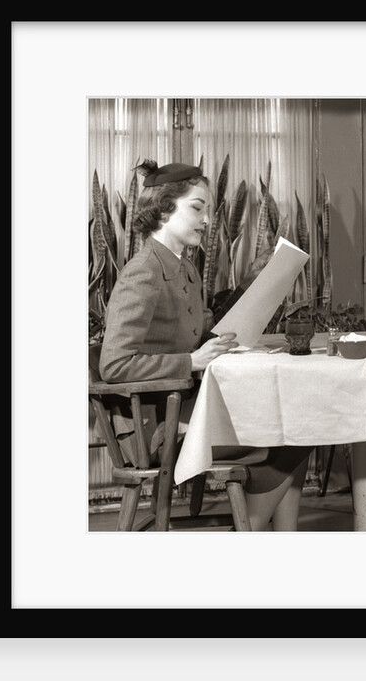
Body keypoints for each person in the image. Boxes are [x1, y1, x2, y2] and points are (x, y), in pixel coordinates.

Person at [99, 159, 312, 531]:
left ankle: (275, 537)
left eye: (208, 210)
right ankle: (247, 532)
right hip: (155, 428)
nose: (207, 220)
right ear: (164, 209)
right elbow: (114, 365)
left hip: (183, 409)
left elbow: (188, 333)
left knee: (301, 423)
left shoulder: (184, 266)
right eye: (197, 208)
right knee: (296, 429)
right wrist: (192, 361)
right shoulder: (143, 272)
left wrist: (243, 306)